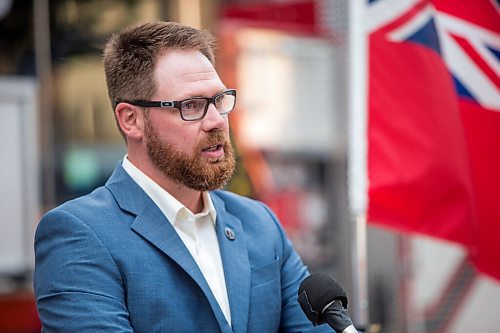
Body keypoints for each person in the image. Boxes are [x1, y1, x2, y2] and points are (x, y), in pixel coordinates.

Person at [34, 21, 331, 333]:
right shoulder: (79, 233)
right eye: (191, 105)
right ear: (131, 119)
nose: (216, 120)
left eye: (219, 100)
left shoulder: (259, 224)